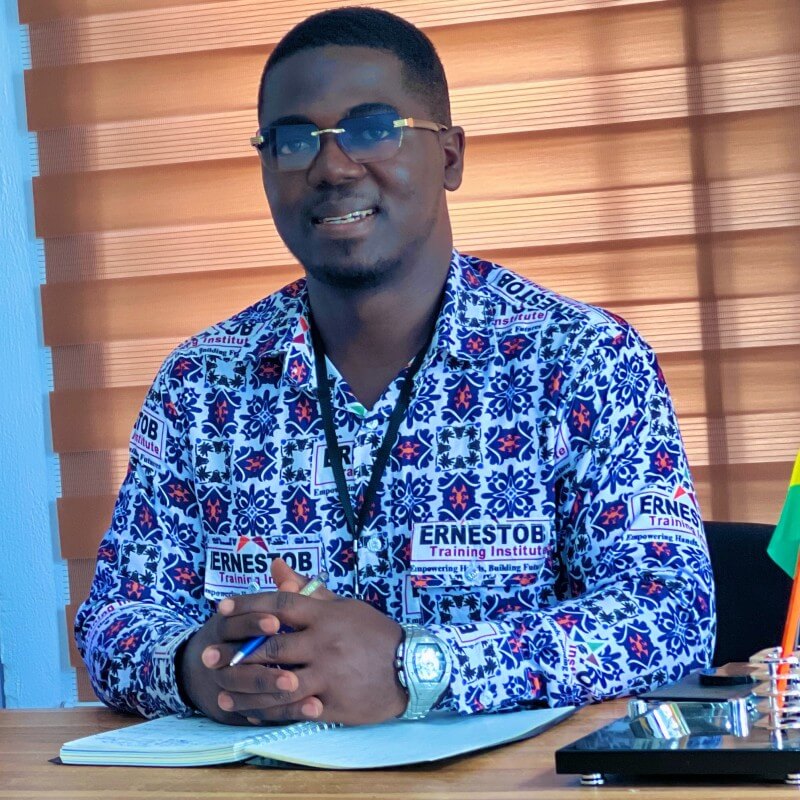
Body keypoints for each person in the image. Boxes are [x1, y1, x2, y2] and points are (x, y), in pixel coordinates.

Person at [75, 7, 715, 726]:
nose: (331, 167)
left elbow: (670, 617)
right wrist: (197, 668)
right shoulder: (199, 385)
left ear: (450, 157)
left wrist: (419, 666)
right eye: (293, 141)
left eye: (373, 128)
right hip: (264, 773)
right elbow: (113, 619)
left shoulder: (582, 358)